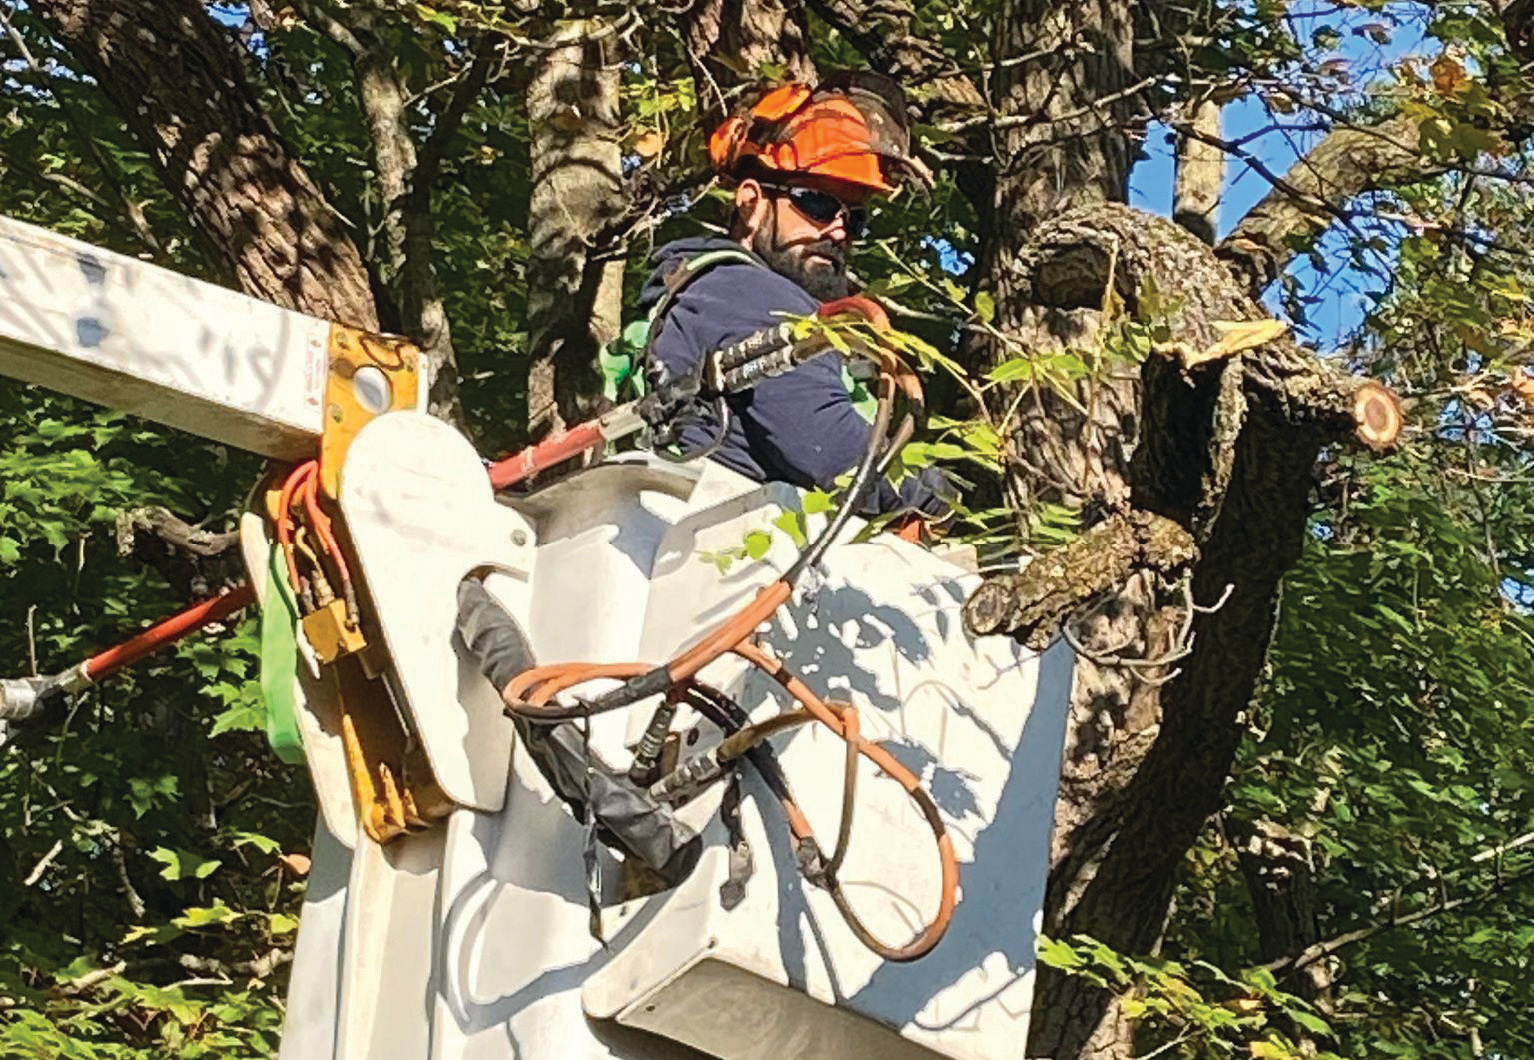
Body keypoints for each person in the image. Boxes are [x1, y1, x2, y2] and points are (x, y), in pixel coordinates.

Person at [641, 73, 950, 517]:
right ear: (750, 201)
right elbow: (833, 453)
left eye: (855, 217)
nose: (839, 228)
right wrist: (940, 498)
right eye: (816, 203)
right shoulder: (748, 291)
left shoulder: (699, 291)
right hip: (730, 553)